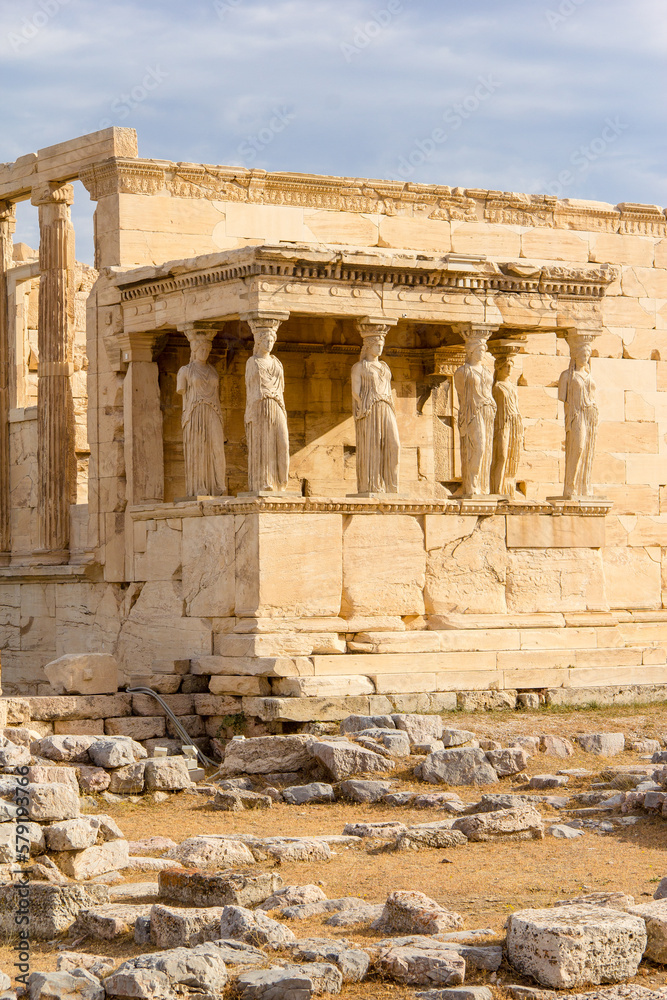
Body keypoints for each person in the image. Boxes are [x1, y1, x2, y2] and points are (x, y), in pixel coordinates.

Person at [176, 331, 226, 497]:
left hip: (213, 411)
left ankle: (219, 487)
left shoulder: (213, 370)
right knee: (199, 448)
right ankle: (200, 487)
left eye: (207, 349)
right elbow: (183, 394)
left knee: (217, 448)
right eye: (201, 349)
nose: (205, 352)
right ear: (194, 350)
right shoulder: (185, 371)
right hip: (195, 411)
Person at [351, 332, 400, 494]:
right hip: (370, 409)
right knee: (373, 446)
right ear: (368, 346)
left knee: (394, 444)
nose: (380, 348)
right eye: (376, 345)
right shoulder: (359, 367)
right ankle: (373, 485)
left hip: (386, 407)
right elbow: (355, 392)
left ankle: (392, 485)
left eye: (381, 344)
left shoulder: (385, 367)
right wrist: (362, 407)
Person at [245, 322, 289, 492]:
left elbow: (282, 387)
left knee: (282, 442)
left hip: (277, 404)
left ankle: (281, 482)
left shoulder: (277, 363)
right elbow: (250, 388)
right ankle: (264, 482)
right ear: (258, 342)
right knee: (263, 443)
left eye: (271, 341)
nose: (269, 344)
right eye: (266, 341)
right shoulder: (252, 362)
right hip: (260, 406)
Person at [454, 335, 496, 496]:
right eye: (479, 350)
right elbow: (460, 396)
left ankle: (482, 486)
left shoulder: (486, 370)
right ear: (470, 351)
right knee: (478, 446)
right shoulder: (463, 372)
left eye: (483, 350)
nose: (482, 353)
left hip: (488, 411)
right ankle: (471, 483)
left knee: (486, 449)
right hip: (472, 412)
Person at [559, 336, 598, 498]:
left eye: (587, 356)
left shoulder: (589, 377)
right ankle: (570, 486)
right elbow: (563, 397)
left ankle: (583, 486)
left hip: (590, 415)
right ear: (575, 355)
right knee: (578, 447)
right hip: (576, 415)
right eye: (582, 355)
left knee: (588, 449)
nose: (585, 358)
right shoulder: (567, 376)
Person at [491, 354, 523, 496]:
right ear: (499, 367)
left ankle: (506, 488)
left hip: (514, 422)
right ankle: (495, 489)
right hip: (500, 424)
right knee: (501, 455)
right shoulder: (497, 387)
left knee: (511, 455)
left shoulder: (511, 386)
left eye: (511, 366)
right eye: (506, 366)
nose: (509, 369)